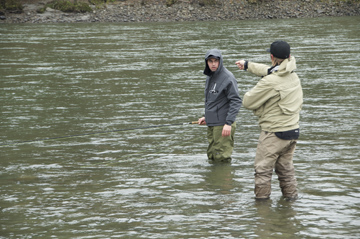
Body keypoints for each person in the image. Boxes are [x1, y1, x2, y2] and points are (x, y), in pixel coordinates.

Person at [235, 40, 303, 200]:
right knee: (286, 171)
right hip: (292, 133)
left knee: (262, 172)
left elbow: (247, 102)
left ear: (271, 57)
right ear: (289, 56)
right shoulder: (293, 76)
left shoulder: (270, 82)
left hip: (273, 135)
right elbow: (271, 70)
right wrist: (247, 65)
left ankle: (262, 213)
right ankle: (290, 207)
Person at [198, 49, 242, 164]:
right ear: (206, 62)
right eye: (210, 61)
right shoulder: (210, 76)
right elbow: (214, 100)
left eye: (216, 61)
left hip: (223, 126)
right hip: (213, 124)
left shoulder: (228, 77)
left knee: (221, 158)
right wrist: (207, 117)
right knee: (212, 155)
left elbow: (236, 100)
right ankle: (214, 181)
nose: (213, 64)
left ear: (220, 61)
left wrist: (228, 123)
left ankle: (224, 181)